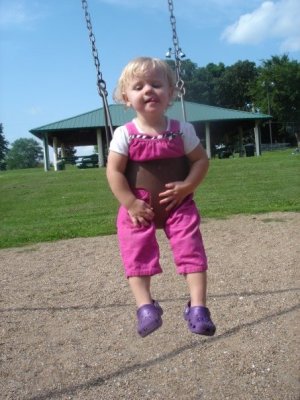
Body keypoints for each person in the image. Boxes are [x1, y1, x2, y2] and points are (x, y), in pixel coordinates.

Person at [106, 57, 216, 338]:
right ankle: (145, 307)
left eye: (156, 84)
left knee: (191, 247)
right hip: (138, 207)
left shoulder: (182, 130)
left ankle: (198, 307)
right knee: (135, 250)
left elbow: (201, 162)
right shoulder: (124, 134)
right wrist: (129, 202)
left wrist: (188, 186)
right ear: (126, 98)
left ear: (170, 93)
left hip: (177, 203)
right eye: (139, 86)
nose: (148, 90)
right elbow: (115, 172)